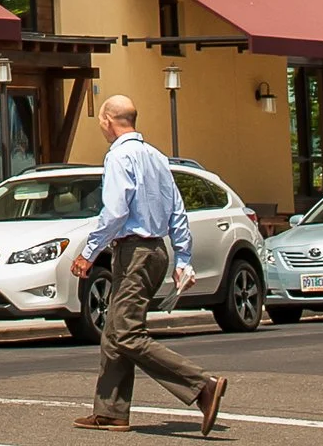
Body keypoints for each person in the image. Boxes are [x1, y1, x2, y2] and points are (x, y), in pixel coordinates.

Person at [69, 96, 228, 434]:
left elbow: (114, 213)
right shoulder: (156, 157)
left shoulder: (118, 157)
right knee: (114, 331)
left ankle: (202, 386)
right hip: (157, 251)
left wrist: (89, 253)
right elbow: (178, 211)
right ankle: (110, 411)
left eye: (100, 120)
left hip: (135, 253)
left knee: (126, 332)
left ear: (107, 120)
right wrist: (182, 259)